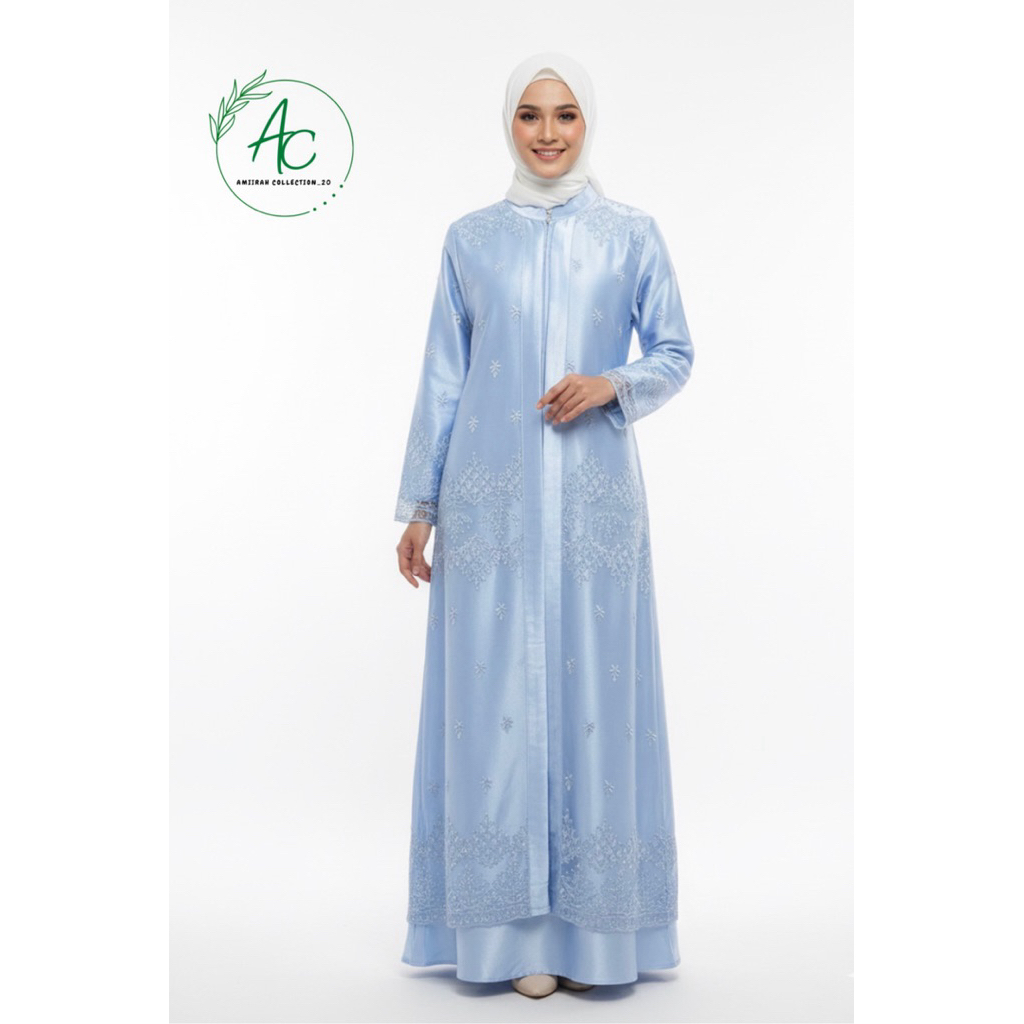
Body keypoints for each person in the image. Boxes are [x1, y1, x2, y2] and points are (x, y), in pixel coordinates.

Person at [393, 51, 696, 998]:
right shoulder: (471, 240)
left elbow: (676, 351)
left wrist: (613, 382)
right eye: (530, 115)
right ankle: (512, 940)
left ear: (587, 123)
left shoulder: (631, 235)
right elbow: (443, 378)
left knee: (597, 702)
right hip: (491, 512)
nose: (549, 132)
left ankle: (595, 937)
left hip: (596, 509)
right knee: (495, 707)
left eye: (566, 114)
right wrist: (421, 506)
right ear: (509, 125)